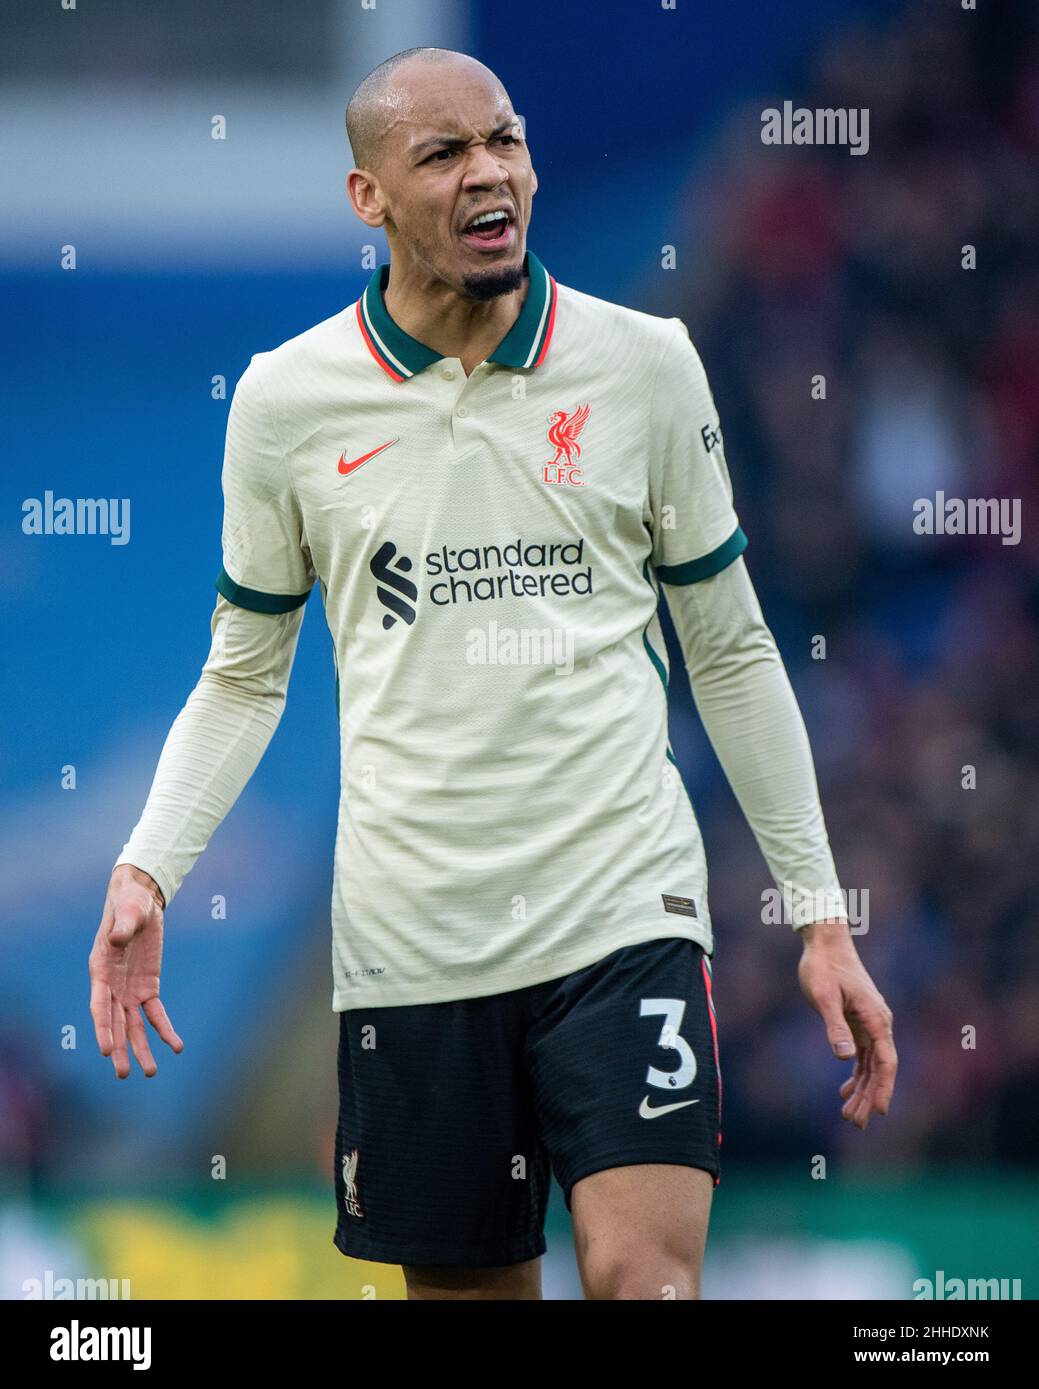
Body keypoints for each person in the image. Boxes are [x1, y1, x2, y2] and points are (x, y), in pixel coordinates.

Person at [89, 46, 897, 1301]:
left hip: (621, 913)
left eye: (506, 141)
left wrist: (819, 909)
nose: (491, 174)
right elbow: (245, 677)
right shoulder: (285, 405)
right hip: (414, 947)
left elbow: (730, 646)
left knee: (649, 1282)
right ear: (370, 198)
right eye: (445, 153)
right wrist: (148, 863)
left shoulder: (643, 364)